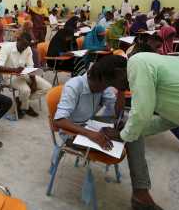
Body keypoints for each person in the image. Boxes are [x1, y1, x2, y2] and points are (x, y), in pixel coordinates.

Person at [98, 53, 179, 210]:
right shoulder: (156, 68)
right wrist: (132, 131)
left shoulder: (137, 63)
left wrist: (122, 134)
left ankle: (140, 198)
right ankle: (141, 199)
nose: (118, 89)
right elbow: (169, 120)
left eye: (114, 84)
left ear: (118, 72)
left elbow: (141, 113)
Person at [54, 56, 161, 210]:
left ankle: (140, 191)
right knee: (129, 134)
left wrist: (121, 91)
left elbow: (117, 114)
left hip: (90, 124)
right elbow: (59, 121)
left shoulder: (103, 86)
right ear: (105, 77)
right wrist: (90, 134)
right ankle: (140, 194)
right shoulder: (74, 86)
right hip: (71, 131)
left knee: (133, 132)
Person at [0, 32, 51, 118]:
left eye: (26, 46)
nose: (24, 48)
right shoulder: (6, 47)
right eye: (23, 45)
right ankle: (24, 107)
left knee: (47, 87)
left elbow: (30, 67)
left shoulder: (27, 49)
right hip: (10, 76)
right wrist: (14, 70)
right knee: (26, 90)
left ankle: (21, 101)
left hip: (24, 74)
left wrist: (34, 81)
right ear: (18, 40)